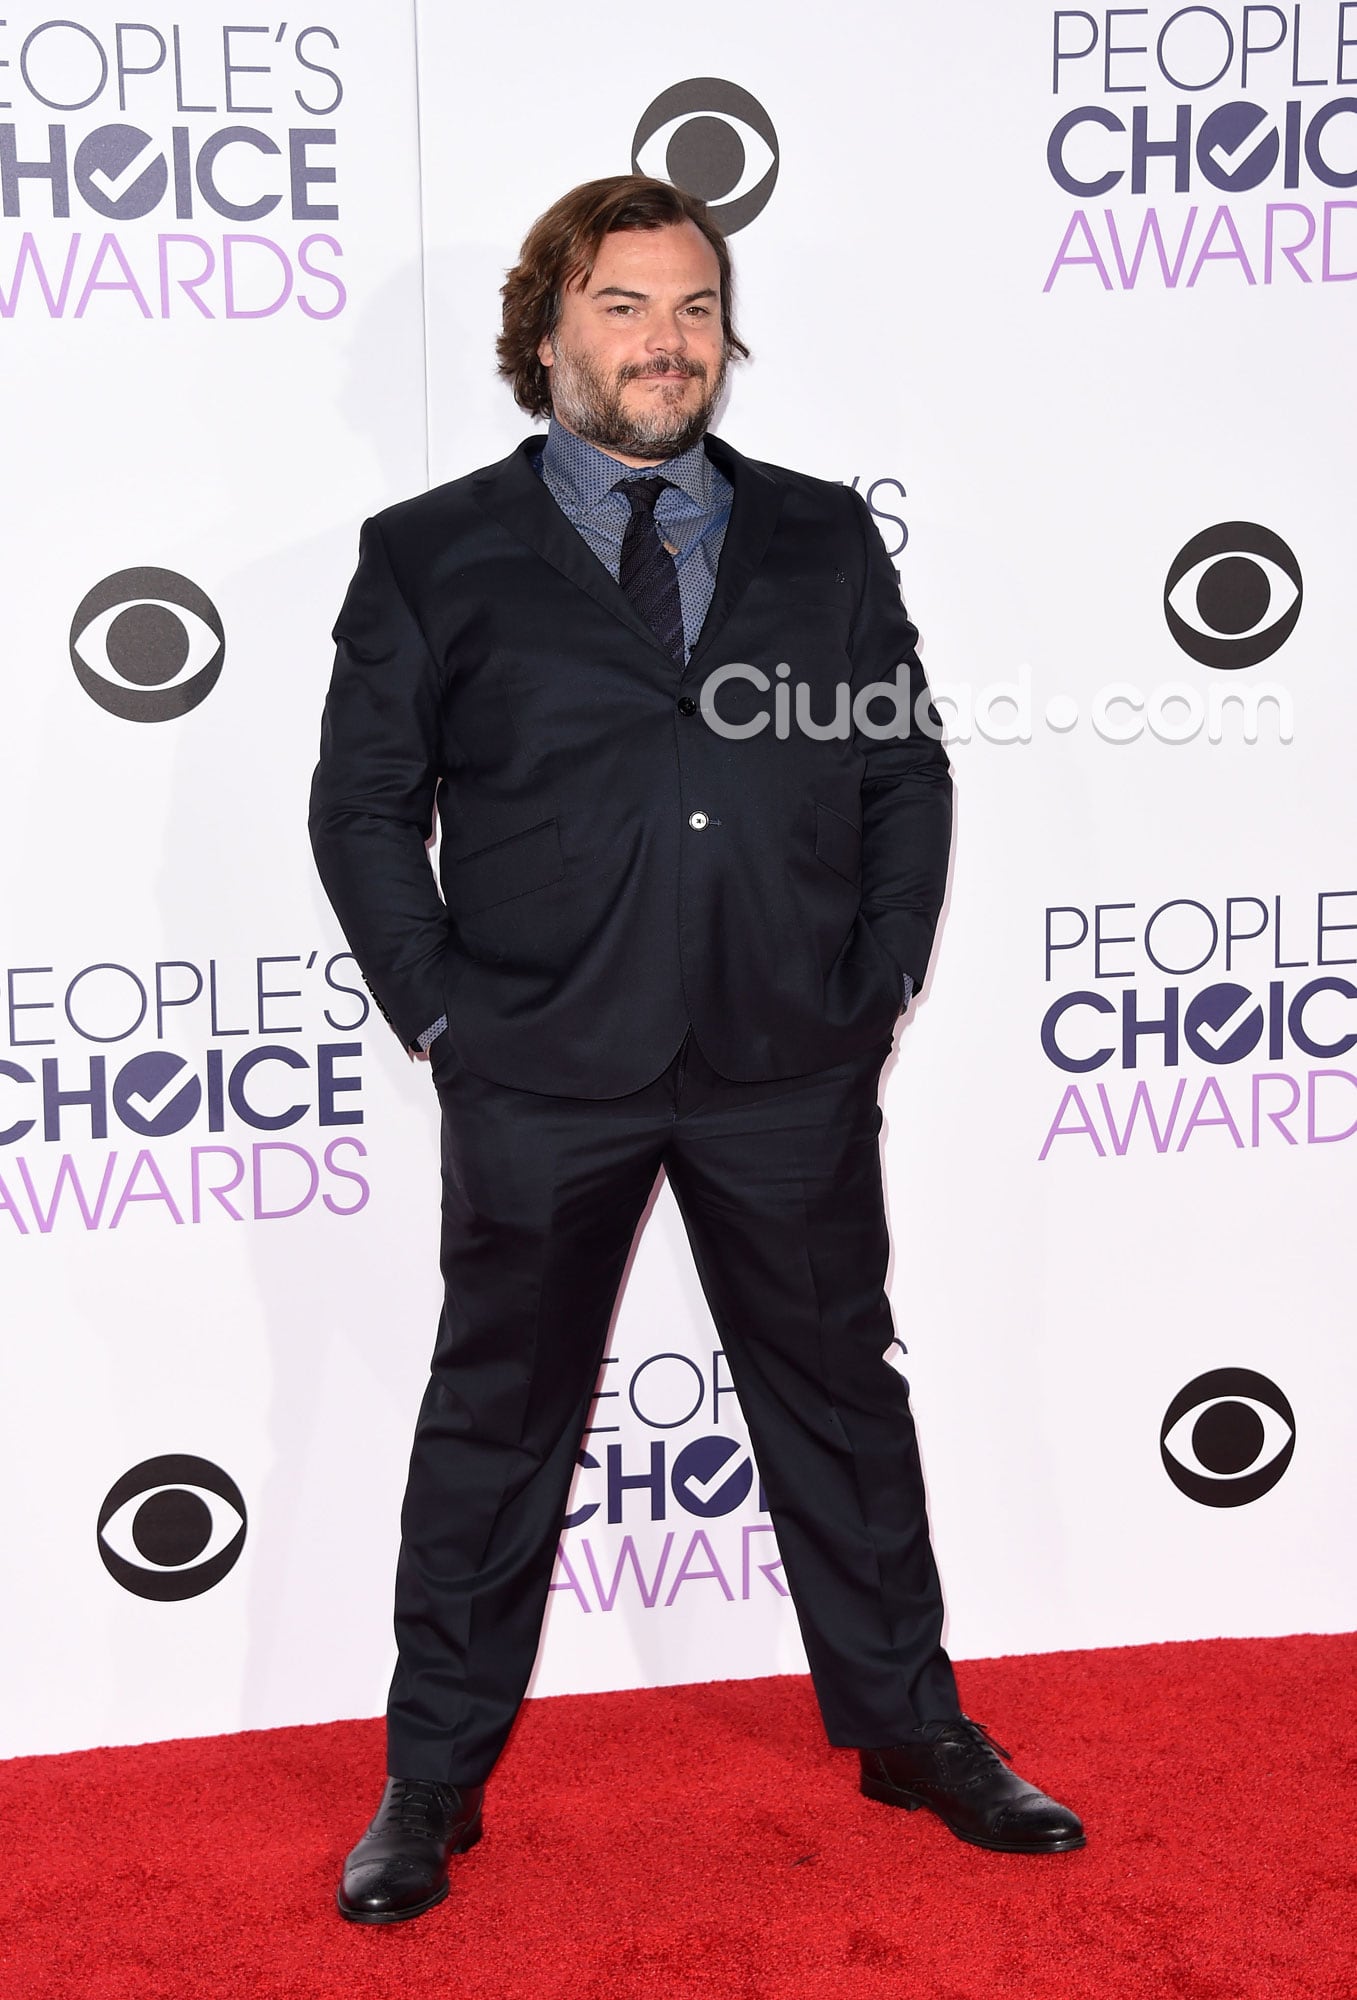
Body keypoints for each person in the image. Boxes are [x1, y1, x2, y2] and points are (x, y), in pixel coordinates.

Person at [309, 174, 1083, 1925]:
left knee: (838, 1400)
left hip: (781, 1061)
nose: (667, 343)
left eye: (692, 309)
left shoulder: (818, 535)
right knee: (495, 1422)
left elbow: (903, 766)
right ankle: (431, 1778)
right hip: (537, 1067)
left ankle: (908, 1729)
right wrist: (443, 1011)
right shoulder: (428, 551)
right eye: (623, 307)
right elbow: (362, 809)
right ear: (547, 332)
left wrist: (874, 977)